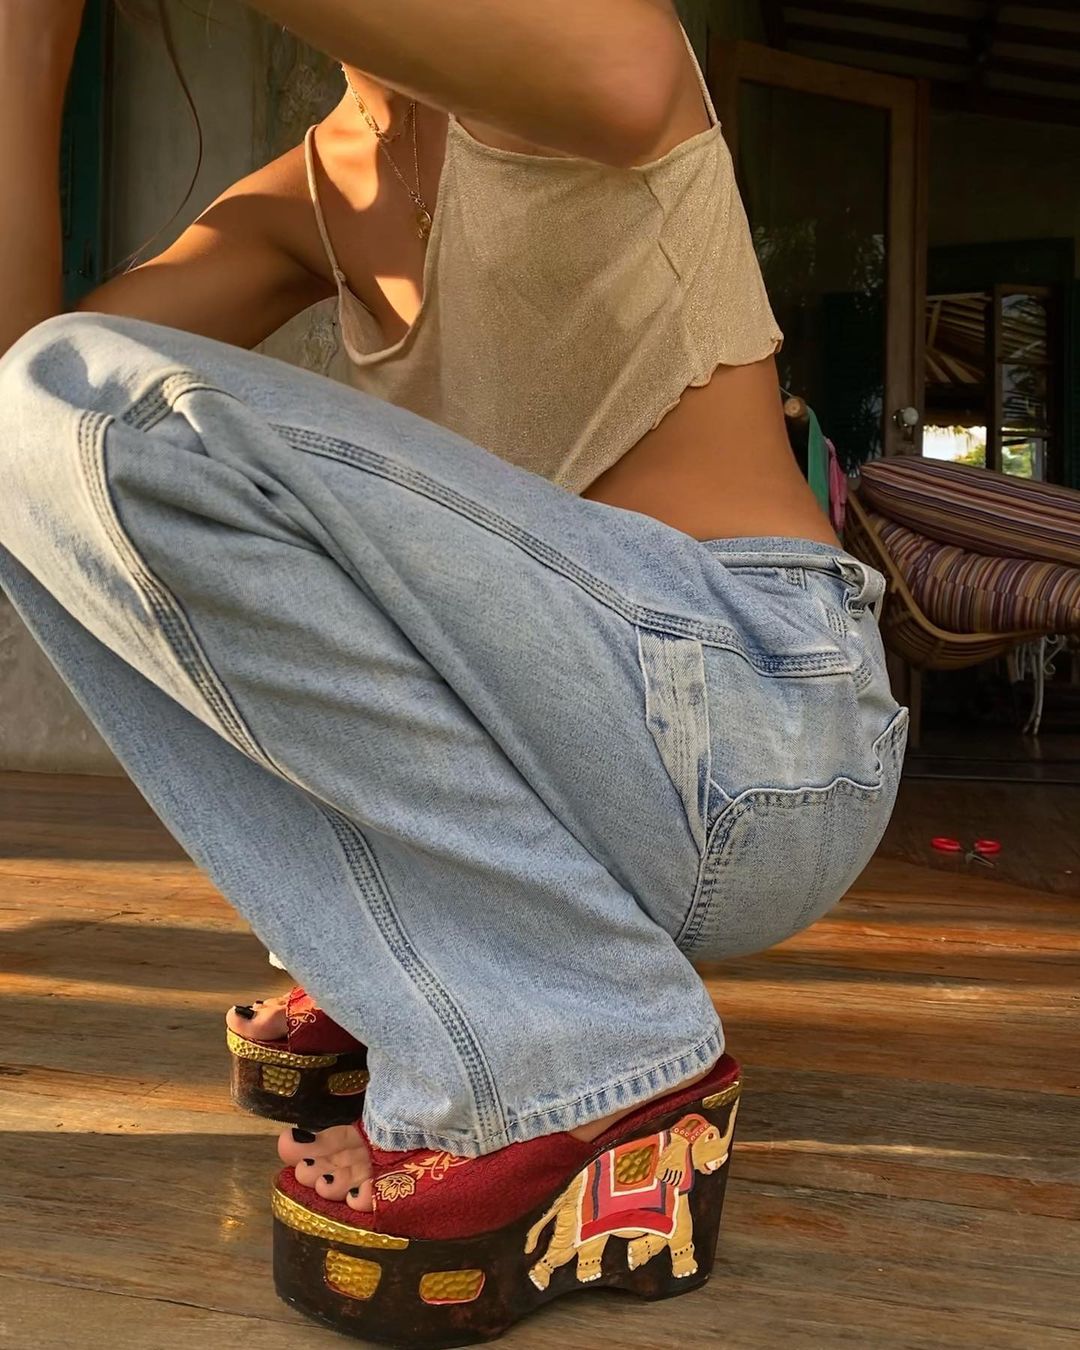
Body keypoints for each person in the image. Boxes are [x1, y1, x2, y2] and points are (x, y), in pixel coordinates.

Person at [0, 1, 907, 1342]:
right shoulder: (310, 199)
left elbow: (621, 79)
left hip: (760, 719)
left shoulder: (585, 42)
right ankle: (455, 964)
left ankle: (577, 1049)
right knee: (53, 419)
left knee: (90, 399)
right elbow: (22, 405)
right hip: (587, 757)